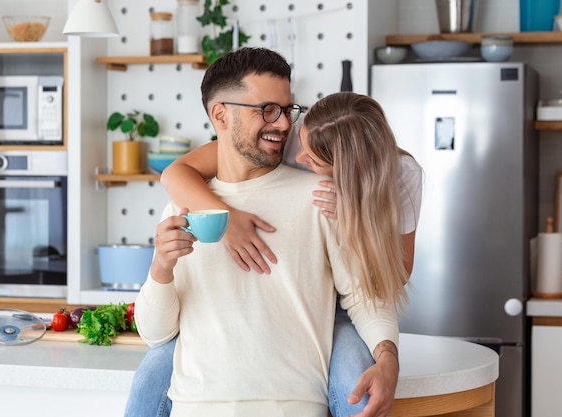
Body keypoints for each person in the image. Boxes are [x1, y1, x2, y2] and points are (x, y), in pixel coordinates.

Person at [132, 47, 401, 417]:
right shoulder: (183, 208)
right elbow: (156, 335)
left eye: (287, 109)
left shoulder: (321, 199)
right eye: (267, 110)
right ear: (220, 115)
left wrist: (388, 358)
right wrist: (161, 268)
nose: (284, 124)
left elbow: (363, 296)